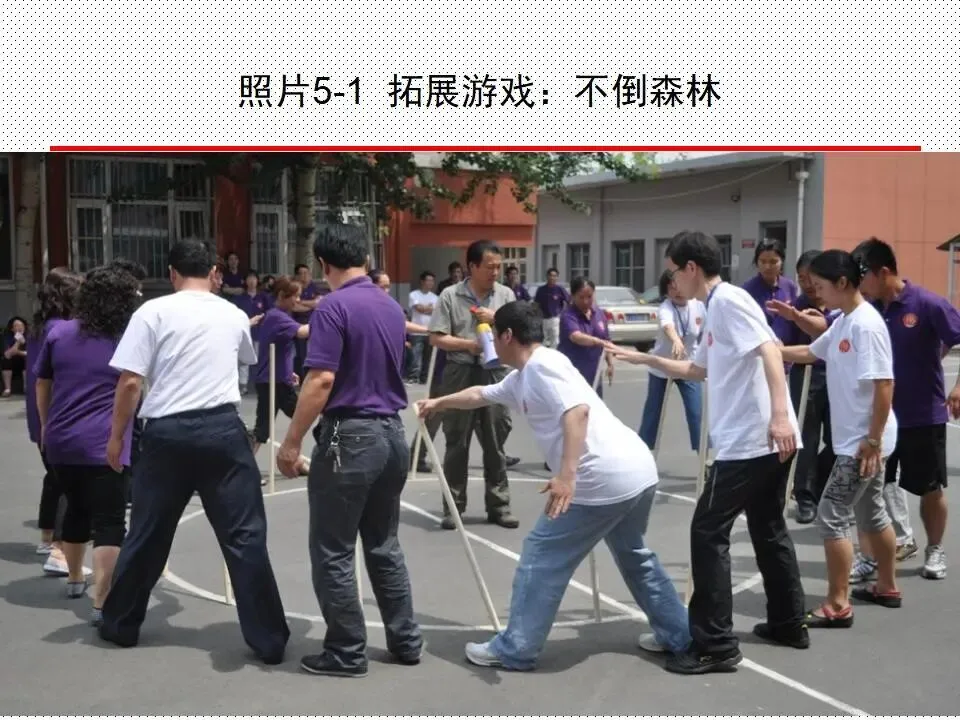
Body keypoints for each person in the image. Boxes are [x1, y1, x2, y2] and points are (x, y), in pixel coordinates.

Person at [415, 301, 691, 670]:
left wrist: (566, 476)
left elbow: (577, 412)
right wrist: (438, 402)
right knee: (634, 555)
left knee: (541, 557)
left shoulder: (542, 367)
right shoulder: (526, 374)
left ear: (507, 336)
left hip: (601, 478)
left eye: (493, 334)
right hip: (636, 472)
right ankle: (679, 634)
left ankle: (516, 648)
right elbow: (480, 394)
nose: (490, 341)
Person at [609, 230, 806, 675]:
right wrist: (647, 359)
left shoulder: (729, 301)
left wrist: (779, 415)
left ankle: (715, 645)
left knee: (707, 530)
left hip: (754, 440)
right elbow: (699, 370)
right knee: (768, 526)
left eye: (674, 272)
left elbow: (771, 352)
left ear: (692, 268)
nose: (672, 281)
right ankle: (788, 623)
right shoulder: (713, 308)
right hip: (763, 439)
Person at [97, 239, 289, 664]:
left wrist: (116, 437)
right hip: (222, 428)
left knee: (148, 532)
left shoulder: (152, 312)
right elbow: (243, 356)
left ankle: (121, 623)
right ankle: (269, 638)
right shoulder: (232, 313)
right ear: (214, 272)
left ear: (172, 273)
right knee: (244, 535)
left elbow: (130, 382)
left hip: (167, 433)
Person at [276, 223, 422, 678]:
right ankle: (406, 639)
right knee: (383, 544)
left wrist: (292, 441)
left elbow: (321, 379)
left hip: (350, 434)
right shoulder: (390, 306)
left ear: (323, 264)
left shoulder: (333, 308)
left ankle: (346, 650)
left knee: (333, 548)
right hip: (392, 432)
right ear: (365, 258)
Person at [781, 250, 901, 627]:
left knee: (832, 515)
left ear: (843, 283)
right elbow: (809, 352)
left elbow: (885, 384)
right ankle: (886, 586)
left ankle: (838, 603)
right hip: (864, 439)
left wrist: (873, 441)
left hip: (864, 443)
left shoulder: (865, 325)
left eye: (820, 286)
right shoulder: (844, 321)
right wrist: (766, 351)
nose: (816, 293)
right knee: (871, 511)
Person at [34, 263, 141, 624]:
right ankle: (102, 600)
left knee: (76, 509)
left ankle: (75, 577)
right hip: (105, 441)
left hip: (61, 440)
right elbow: (133, 386)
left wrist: (46, 426)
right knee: (110, 521)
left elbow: (42, 383)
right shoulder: (124, 337)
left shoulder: (59, 333)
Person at [853, 237, 960, 581]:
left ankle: (935, 549)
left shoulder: (927, 303)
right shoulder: (868, 309)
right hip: (879, 418)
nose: (859, 284)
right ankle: (870, 557)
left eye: (863, 276)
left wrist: (958, 387)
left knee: (930, 487)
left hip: (922, 415)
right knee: (868, 488)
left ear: (883, 272)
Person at [429, 239, 520, 530]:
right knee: (457, 441)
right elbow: (436, 337)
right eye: (490, 267)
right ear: (473, 266)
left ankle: (499, 506)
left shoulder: (505, 295)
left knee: (495, 440)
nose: (495, 272)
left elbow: (520, 332)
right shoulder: (450, 295)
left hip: (495, 373)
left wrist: (496, 319)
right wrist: (469, 345)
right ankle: (453, 508)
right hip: (460, 371)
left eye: (499, 267)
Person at [765, 250, 839, 523]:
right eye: (801, 278)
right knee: (806, 437)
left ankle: (820, 484)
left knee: (839, 439)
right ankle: (805, 496)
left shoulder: (838, 306)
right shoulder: (793, 307)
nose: (807, 284)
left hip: (837, 376)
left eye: (811, 278)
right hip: (805, 375)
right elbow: (779, 340)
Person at [26, 267, 82, 577]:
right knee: (67, 483)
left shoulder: (40, 327)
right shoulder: (62, 330)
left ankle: (47, 536)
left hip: (41, 415)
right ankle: (60, 549)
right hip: (56, 413)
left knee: (55, 478)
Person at [638, 269, 706, 454]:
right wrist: (675, 340)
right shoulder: (666, 307)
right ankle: (644, 453)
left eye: (679, 285)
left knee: (696, 413)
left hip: (688, 366)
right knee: (653, 413)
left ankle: (704, 458)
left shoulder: (698, 306)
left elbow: (708, 331)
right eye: (671, 287)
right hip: (663, 367)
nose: (677, 291)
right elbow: (667, 325)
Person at [251, 276, 310, 477]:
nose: (298, 300)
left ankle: (296, 460)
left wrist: (288, 371)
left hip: (278, 380)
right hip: (271, 382)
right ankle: (244, 467)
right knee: (264, 428)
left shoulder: (278, 316)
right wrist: (328, 318)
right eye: (295, 296)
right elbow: (303, 332)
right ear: (283, 295)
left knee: (300, 418)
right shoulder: (277, 316)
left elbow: (276, 349)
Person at [557, 276, 613, 396]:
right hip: (572, 376)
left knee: (595, 406)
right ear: (572, 296)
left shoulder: (599, 313)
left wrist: (610, 363)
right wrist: (597, 341)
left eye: (589, 296)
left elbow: (606, 340)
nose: (586, 301)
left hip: (594, 375)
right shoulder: (568, 315)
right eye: (581, 297)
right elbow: (576, 337)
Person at [742, 238, 800, 348]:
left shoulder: (789, 286)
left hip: (788, 350)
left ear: (782, 261)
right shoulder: (747, 290)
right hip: (761, 349)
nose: (767, 267)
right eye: (763, 261)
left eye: (773, 262)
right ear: (757, 262)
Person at [235, 270, 268, 394]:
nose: (252, 281)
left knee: (260, 358)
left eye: (254, 278)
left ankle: (261, 383)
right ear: (245, 281)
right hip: (245, 332)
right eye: (249, 278)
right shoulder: (240, 298)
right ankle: (243, 385)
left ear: (257, 280)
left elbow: (270, 312)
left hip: (260, 333)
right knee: (244, 359)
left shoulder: (263, 297)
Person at [408, 271, 438, 383]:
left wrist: (426, 308)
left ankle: (424, 378)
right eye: (428, 280)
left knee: (428, 357)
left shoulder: (435, 297)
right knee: (416, 356)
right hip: (416, 330)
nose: (430, 283)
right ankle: (414, 377)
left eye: (432, 281)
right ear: (422, 281)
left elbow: (435, 312)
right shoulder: (413, 295)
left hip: (430, 330)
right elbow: (419, 309)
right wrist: (429, 308)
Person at [533, 268, 570, 348]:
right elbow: (536, 304)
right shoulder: (541, 290)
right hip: (543, 319)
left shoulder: (560, 289)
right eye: (550, 275)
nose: (552, 278)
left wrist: (564, 314)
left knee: (555, 340)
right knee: (543, 340)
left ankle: (553, 354)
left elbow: (569, 301)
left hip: (555, 319)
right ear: (547, 276)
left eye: (554, 276)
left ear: (557, 277)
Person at [2, 316, 28, 395]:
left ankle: (26, 387)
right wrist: (18, 341)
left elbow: (30, 353)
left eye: (21, 325)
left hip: (24, 362)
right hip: (12, 363)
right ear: (12, 329)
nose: (19, 328)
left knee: (27, 359)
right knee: (6, 361)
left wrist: (18, 352)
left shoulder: (29, 336)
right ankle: (8, 389)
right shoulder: (8, 337)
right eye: (16, 326)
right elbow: (7, 355)